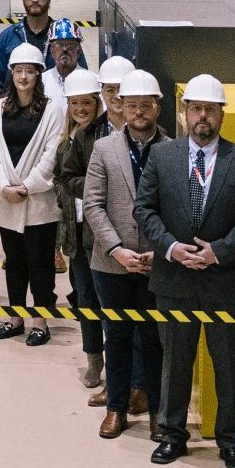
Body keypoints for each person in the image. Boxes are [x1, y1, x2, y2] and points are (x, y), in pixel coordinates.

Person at [133, 74, 235, 468]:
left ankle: (230, 441)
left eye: (210, 109)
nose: (203, 117)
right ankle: (173, 434)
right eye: (196, 109)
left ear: (221, 115)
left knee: (228, 364)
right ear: (184, 113)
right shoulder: (162, 157)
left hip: (225, 281)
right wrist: (172, 248)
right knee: (175, 361)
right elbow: (145, 209)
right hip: (174, 279)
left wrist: (218, 253)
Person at [83, 69, 167, 439]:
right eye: (131, 105)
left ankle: (156, 412)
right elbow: (93, 205)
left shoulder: (174, 150)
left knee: (154, 340)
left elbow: (178, 208)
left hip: (157, 265)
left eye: (145, 105)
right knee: (115, 337)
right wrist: (117, 249)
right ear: (122, 107)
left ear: (157, 107)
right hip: (111, 264)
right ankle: (116, 409)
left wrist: (158, 251)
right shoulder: (104, 149)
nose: (137, 112)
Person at [0, 44, 66, 343]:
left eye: (29, 71)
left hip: (39, 203)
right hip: (6, 201)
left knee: (41, 264)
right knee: (14, 262)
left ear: (38, 75)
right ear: (11, 73)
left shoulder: (52, 110)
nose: (23, 77)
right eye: (18, 71)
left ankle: (41, 322)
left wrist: (27, 187)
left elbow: (51, 155)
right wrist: (4, 186)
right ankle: (15, 318)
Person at [52, 68, 110, 398]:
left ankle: (114, 360)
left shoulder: (103, 138)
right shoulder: (66, 141)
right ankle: (93, 360)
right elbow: (60, 182)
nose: (81, 110)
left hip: (100, 232)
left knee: (107, 300)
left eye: (87, 103)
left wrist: (83, 188)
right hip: (74, 232)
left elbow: (101, 184)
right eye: (75, 104)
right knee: (85, 299)